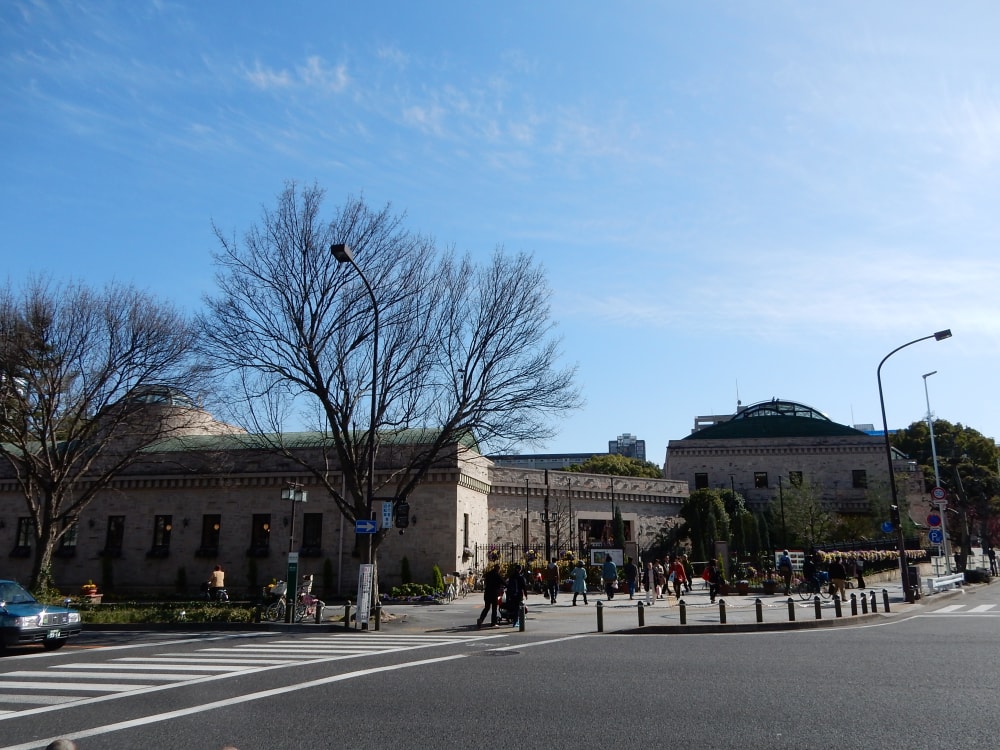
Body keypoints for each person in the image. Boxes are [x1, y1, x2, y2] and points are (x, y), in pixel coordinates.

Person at [477, 564, 505, 628]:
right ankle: (493, 623)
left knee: (487, 607)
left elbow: (486, 581)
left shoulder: (488, 574)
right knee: (494, 608)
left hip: (487, 593)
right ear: (498, 569)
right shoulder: (497, 575)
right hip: (494, 594)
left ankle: (481, 619)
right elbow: (504, 582)